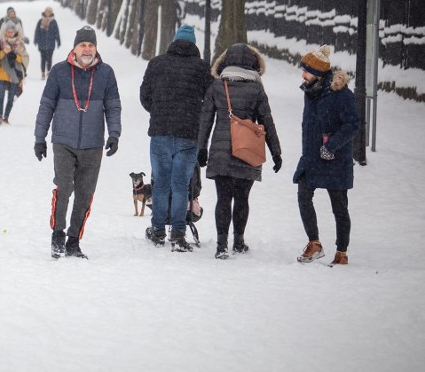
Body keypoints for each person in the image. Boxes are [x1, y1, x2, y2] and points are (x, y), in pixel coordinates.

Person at [35, 26, 121, 259]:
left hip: (93, 144)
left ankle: (74, 240)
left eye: (91, 45)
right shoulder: (59, 71)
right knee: (64, 188)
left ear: (96, 49)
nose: (87, 49)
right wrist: (39, 138)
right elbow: (46, 106)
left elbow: (113, 106)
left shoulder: (106, 73)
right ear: (74, 47)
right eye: (83, 44)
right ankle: (58, 234)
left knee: (85, 193)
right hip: (63, 140)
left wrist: (114, 134)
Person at [197, 43, 283, 259]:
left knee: (223, 197)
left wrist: (202, 148)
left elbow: (205, 119)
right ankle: (239, 241)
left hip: (221, 150)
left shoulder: (218, 86)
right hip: (247, 150)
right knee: (243, 198)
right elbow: (267, 121)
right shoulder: (256, 89)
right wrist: (276, 152)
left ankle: (221, 245)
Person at [140, 25, 213, 252]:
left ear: (174, 41)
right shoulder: (201, 68)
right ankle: (178, 234)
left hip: (161, 131)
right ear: (193, 45)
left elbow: (144, 96)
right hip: (189, 134)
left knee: (160, 184)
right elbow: (209, 101)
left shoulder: (157, 63)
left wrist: (159, 111)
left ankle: (158, 230)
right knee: (181, 185)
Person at [293, 45, 358, 265]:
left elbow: (353, 124)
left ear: (319, 73)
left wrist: (331, 146)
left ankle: (342, 252)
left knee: (339, 206)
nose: (303, 74)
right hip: (311, 157)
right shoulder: (310, 91)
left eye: (306, 70)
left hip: (335, 159)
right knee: (303, 195)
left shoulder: (341, 95)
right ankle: (314, 243)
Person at [0, 22, 27, 125]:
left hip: (14, 75)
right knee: (1, 95)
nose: (10, 33)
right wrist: (4, 53)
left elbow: (25, 57)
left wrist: (16, 57)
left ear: (14, 32)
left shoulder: (19, 43)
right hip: (1, 73)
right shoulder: (1, 42)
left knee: (11, 97)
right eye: (8, 32)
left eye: (12, 32)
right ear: (5, 32)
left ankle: (6, 117)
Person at [33, 6, 61, 79]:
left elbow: (56, 32)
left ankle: (48, 72)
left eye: (49, 12)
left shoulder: (53, 22)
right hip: (42, 43)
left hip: (50, 44)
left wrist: (58, 40)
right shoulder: (40, 21)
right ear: (45, 12)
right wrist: (36, 40)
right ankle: (42, 73)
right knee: (43, 59)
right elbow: (37, 31)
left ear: (51, 13)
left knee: (49, 59)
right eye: (47, 12)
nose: (48, 13)